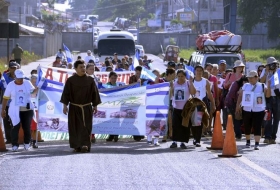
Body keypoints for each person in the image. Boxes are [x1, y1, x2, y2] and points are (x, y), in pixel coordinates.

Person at [60, 60, 101, 153]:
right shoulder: (70, 80)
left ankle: (85, 145)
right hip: (74, 107)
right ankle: (76, 145)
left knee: (86, 126)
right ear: (75, 69)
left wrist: (95, 105)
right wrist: (65, 106)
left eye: (84, 67)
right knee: (75, 127)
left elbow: (95, 93)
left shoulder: (90, 80)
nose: (83, 69)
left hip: (86, 107)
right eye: (81, 67)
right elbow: (66, 94)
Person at [1, 69, 38, 152]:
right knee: (15, 126)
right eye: (18, 78)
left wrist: (37, 89)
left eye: (22, 78)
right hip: (15, 109)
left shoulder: (27, 83)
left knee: (27, 127)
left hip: (27, 109)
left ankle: (27, 143)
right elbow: (5, 98)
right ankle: (14, 144)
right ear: (15, 77)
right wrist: (3, 110)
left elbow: (33, 93)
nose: (20, 80)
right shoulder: (10, 85)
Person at [236, 70, 271, 150]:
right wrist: (238, 105)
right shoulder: (246, 86)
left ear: (256, 78)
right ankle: (248, 141)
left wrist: (268, 86)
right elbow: (240, 95)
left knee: (257, 126)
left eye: (251, 78)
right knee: (247, 125)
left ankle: (256, 143)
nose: (250, 79)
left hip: (259, 109)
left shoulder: (262, 85)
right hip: (247, 109)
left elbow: (268, 95)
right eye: (249, 78)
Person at [170, 69, 196, 149]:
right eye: (179, 76)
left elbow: (193, 92)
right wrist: (171, 87)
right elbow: (171, 94)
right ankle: (174, 141)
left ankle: (183, 142)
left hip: (186, 109)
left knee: (185, 126)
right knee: (175, 125)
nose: (180, 78)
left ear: (185, 76)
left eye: (182, 76)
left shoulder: (188, 83)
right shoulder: (174, 83)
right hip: (176, 108)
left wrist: (191, 83)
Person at [192, 65, 215, 147]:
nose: (198, 72)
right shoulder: (191, 81)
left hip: (202, 103)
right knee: (193, 122)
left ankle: (197, 139)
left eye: (200, 71)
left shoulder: (206, 81)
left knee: (199, 122)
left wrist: (213, 104)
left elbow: (209, 93)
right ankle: (194, 137)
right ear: (194, 71)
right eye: (197, 70)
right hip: (193, 103)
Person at [260, 57, 280, 144]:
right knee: (268, 117)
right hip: (268, 97)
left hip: (278, 97)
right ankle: (267, 136)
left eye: (274, 64)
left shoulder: (278, 71)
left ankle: (273, 137)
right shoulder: (265, 71)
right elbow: (261, 81)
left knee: (276, 118)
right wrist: (267, 72)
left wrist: (274, 72)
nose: (273, 66)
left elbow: (275, 82)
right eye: (271, 64)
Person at [0, 61, 20, 144]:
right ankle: (9, 139)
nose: (13, 69)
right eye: (12, 68)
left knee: (15, 121)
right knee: (6, 121)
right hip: (7, 102)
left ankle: (16, 137)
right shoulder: (4, 77)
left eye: (15, 68)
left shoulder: (21, 77)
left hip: (17, 103)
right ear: (9, 69)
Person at [221, 60, 245, 130]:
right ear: (235, 68)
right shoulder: (230, 75)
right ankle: (230, 128)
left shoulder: (243, 76)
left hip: (240, 98)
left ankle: (238, 129)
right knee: (229, 114)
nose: (240, 68)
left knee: (238, 114)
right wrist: (228, 84)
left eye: (241, 67)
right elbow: (225, 86)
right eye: (238, 67)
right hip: (230, 98)